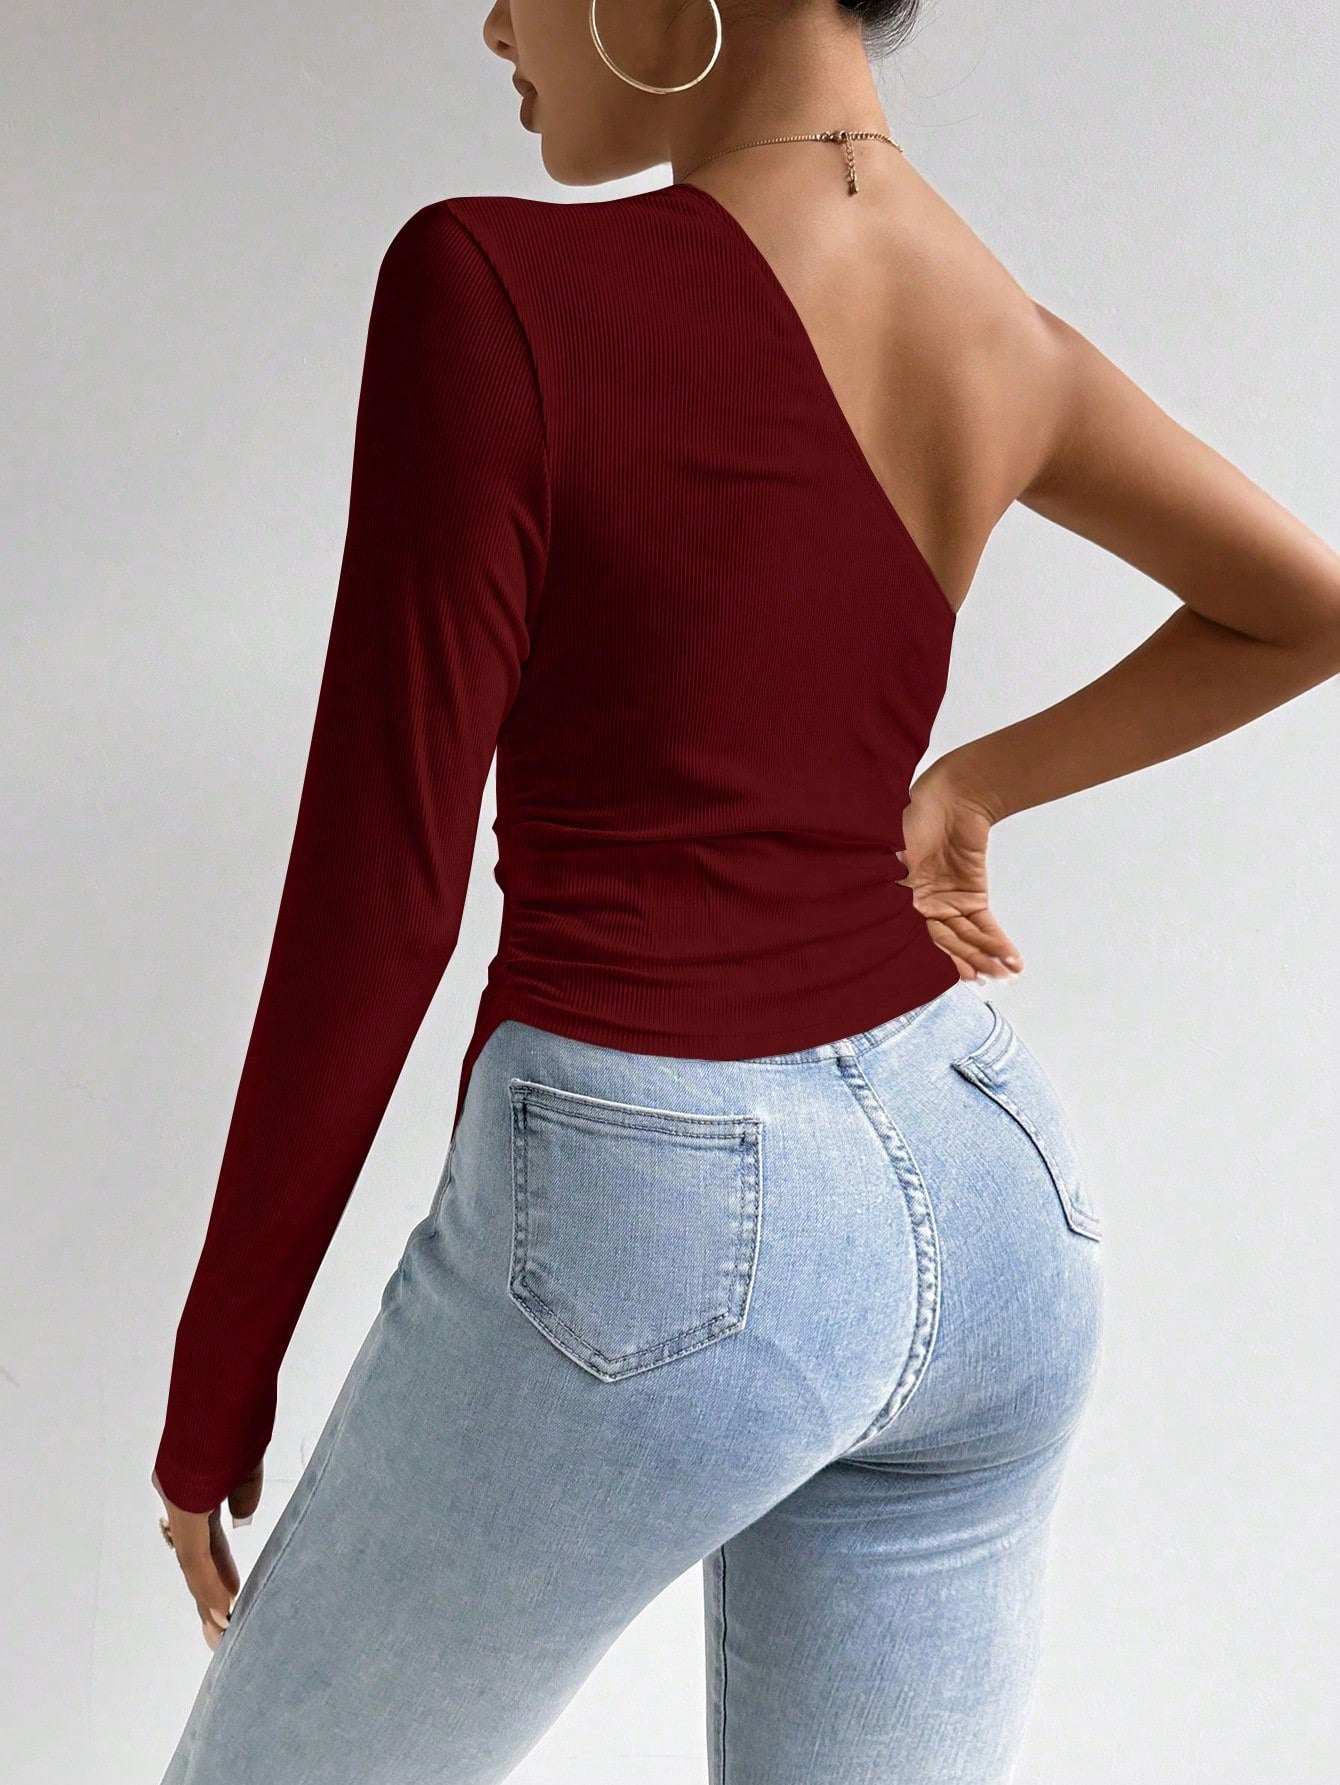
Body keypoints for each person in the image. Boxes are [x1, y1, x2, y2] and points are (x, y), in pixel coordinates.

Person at [151, 2, 1340, 1780]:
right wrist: (972, 785)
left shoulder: (489, 284)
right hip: (991, 1185)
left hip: (660, 1206)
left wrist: (217, 1383)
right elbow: (1302, 605)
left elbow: (379, 888)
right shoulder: (1000, 329)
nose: (495, 22)